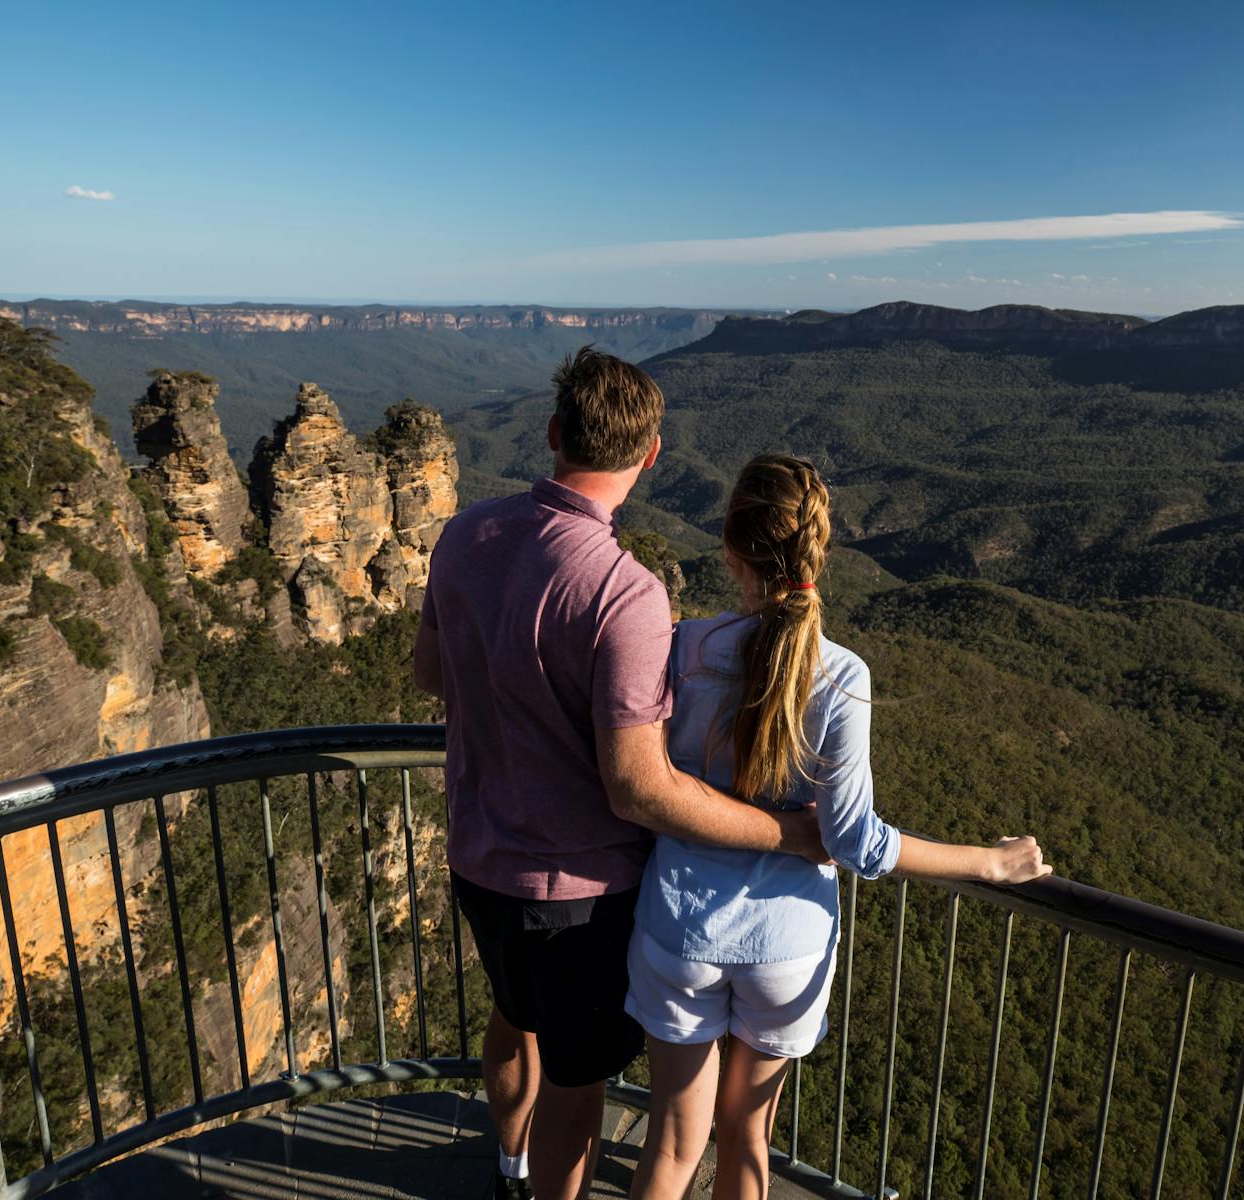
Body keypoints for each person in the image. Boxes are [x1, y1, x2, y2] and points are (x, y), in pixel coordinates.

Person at [413, 350, 827, 1200]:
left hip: (475, 856)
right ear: (652, 456)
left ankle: (507, 1164)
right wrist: (789, 834)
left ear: (556, 431)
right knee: (576, 1082)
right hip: (578, 895)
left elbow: (429, 672)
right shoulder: (623, 590)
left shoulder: (464, 534)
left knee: (511, 1020)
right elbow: (639, 786)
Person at [626, 454, 1053, 1200]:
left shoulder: (684, 647)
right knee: (746, 1142)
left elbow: (655, 782)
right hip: (783, 947)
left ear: (728, 550)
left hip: (679, 928)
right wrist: (989, 862)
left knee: (671, 1140)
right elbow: (857, 842)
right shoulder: (841, 676)